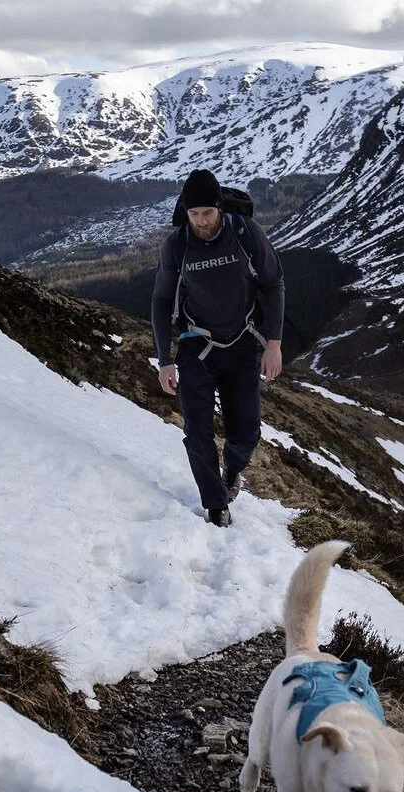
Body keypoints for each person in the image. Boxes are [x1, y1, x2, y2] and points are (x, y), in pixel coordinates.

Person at [151, 168, 285, 527]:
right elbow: (161, 300)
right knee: (197, 431)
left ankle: (233, 468)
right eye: (194, 214)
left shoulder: (245, 233)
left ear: (219, 208)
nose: (201, 221)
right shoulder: (177, 245)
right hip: (197, 347)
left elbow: (273, 283)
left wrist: (274, 343)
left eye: (207, 213)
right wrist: (164, 360)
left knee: (247, 433)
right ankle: (216, 506)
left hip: (243, 344)